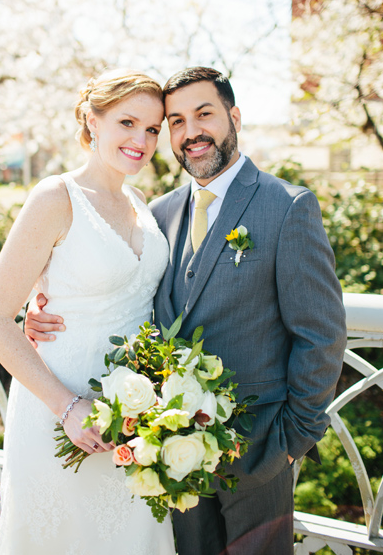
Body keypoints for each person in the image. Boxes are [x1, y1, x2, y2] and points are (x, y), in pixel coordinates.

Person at [26, 67, 348, 555]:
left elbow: (321, 336)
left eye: (204, 114)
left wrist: (289, 441)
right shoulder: (157, 213)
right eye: (174, 122)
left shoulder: (287, 207)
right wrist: (38, 301)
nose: (190, 132)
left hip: (259, 452)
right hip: (169, 455)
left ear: (233, 117)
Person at [0, 70, 174, 553]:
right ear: (93, 119)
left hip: (137, 421)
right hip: (60, 412)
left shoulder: (142, 203)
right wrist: (67, 408)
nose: (142, 140)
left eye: (153, 129)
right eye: (127, 122)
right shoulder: (55, 197)